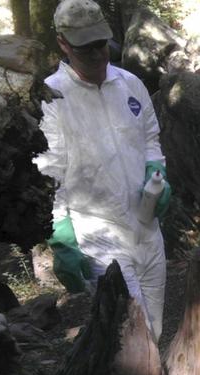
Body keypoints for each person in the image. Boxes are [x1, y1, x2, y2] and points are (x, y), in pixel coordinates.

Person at [34, 0, 171, 340]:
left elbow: (150, 136)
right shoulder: (52, 98)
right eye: (85, 47)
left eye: (100, 43)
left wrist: (157, 169)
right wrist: (62, 236)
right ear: (63, 43)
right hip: (98, 233)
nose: (97, 54)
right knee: (131, 334)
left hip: (146, 224)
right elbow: (48, 172)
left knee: (155, 330)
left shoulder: (130, 84)